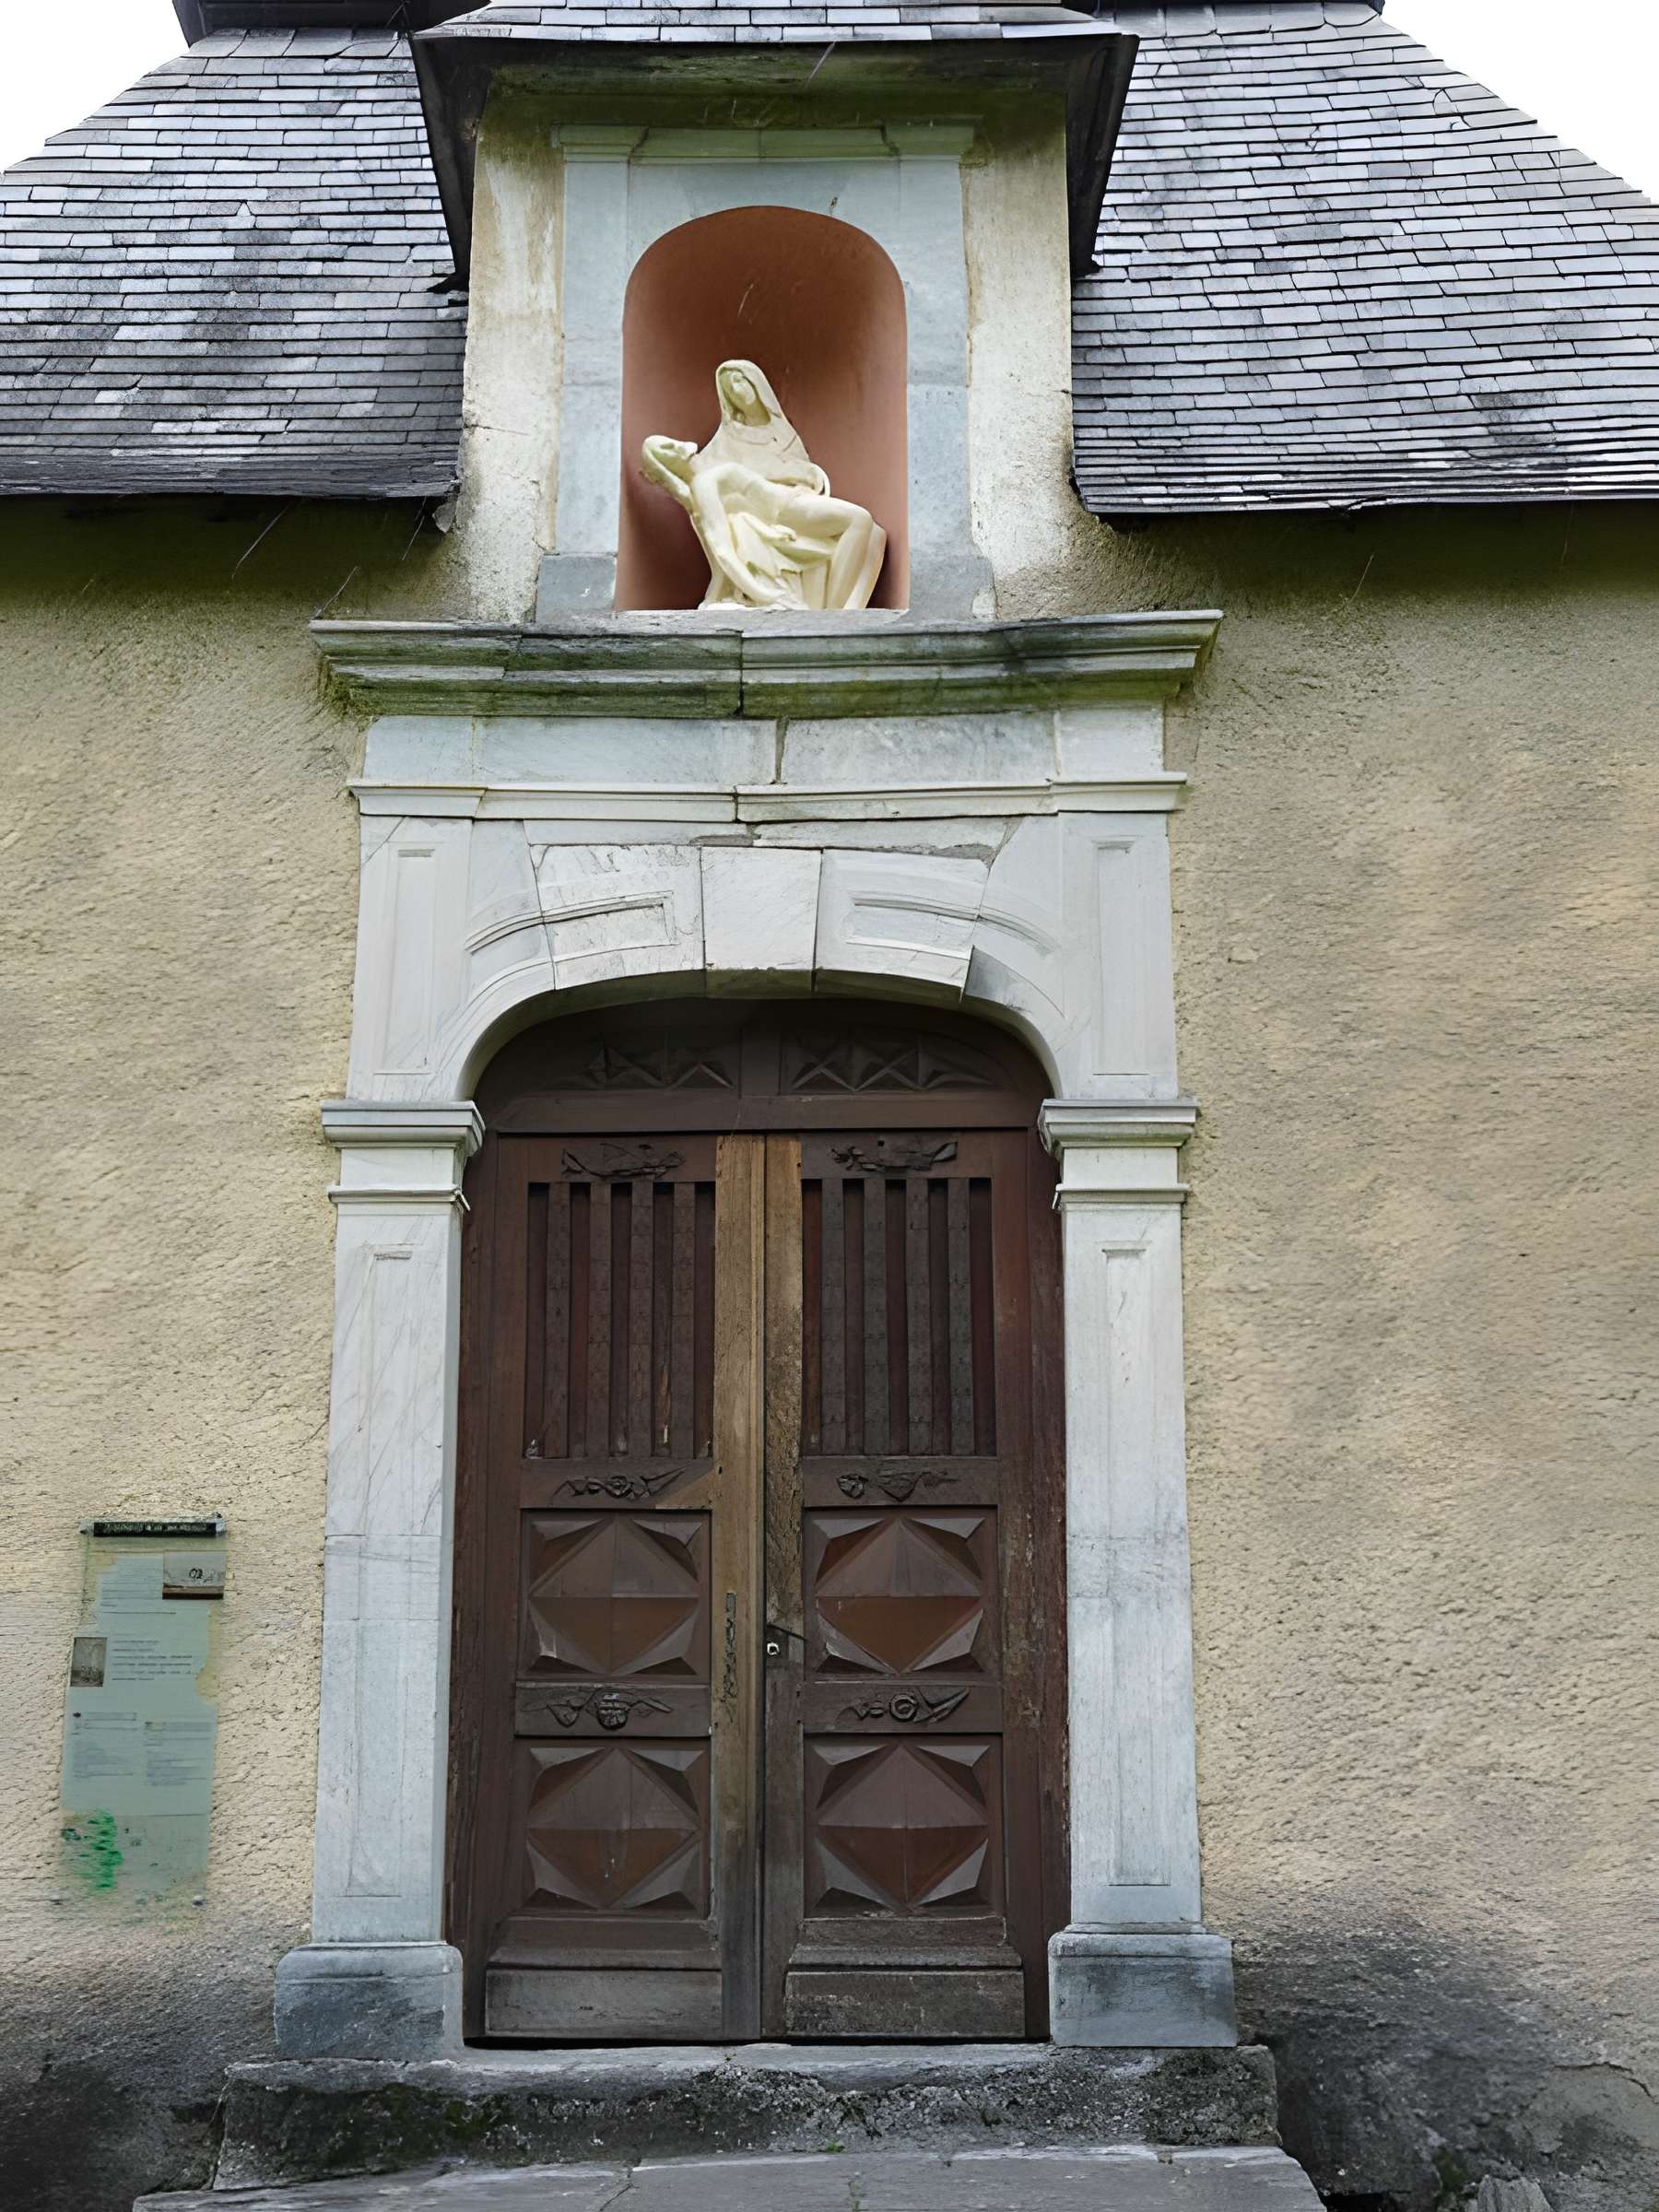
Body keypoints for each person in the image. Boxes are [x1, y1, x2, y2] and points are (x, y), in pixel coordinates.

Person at [641, 359, 887, 611]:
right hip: (782, 508)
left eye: (740, 381)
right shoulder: (707, 472)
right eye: (729, 387)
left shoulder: (778, 435)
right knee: (859, 520)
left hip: (789, 502)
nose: (737, 390)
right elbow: (720, 546)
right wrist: (763, 594)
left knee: (876, 536)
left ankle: (849, 612)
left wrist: (806, 480)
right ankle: (831, 616)